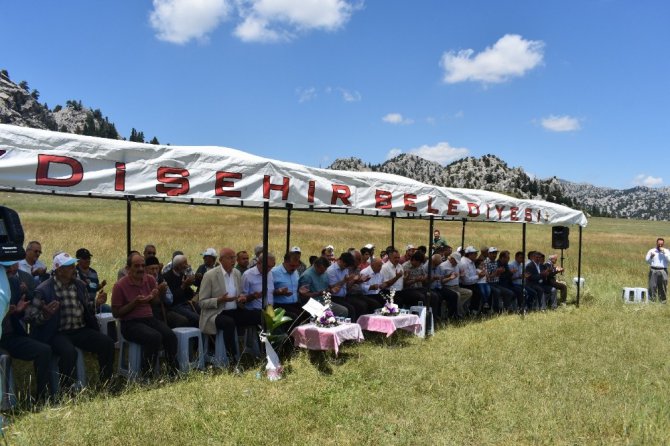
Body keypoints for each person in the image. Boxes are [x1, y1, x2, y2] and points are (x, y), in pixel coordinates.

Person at [27, 252, 114, 390]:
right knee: (69, 352)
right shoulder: (43, 289)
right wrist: (45, 315)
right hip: (57, 332)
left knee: (107, 343)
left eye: (73, 265)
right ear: (59, 270)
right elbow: (30, 318)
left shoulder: (79, 285)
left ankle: (107, 383)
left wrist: (96, 303)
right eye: (70, 266)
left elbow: (87, 308)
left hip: (80, 329)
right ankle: (67, 389)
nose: (74, 268)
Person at [112, 253, 178, 377]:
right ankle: (147, 375)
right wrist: (134, 303)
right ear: (128, 268)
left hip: (148, 318)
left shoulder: (150, 279)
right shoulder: (119, 285)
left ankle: (173, 372)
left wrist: (159, 294)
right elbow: (116, 313)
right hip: (129, 323)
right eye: (136, 266)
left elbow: (155, 302)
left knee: (170, 335)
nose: (141, 269)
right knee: (154, 337)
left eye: (143, 265)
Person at [0, 260, 54, 403]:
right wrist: (7, 313)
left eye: (12, 266)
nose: (12, 269)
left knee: (44, 350)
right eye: (6, 268)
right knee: (3, 358)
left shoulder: (13, 283)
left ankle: (43, 398)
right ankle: (5, 405)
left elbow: (28, 316)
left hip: (9, 336)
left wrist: (44, 315)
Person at [199, 248, 258, 358]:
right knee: (229, 323)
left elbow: (239, 294)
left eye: (234, 257)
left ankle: (259, 350)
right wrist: (220, 300)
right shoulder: (210, 275)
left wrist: (241, 298)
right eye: (230, 258)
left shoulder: (236, 273)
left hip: (234, 310)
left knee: (258, 315)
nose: (233, 260)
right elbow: (202, 302)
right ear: (221, 260)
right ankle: (232, 357)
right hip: (215, 313)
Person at [163, 255, 199, 327]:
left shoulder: (182, 274)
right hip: (175, 306)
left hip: (186, 303)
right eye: (185, 263)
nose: (187, 265)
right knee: (197, 318)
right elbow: (172, 300)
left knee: (204, 312)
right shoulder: (167, 277)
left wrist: (189, 285)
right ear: (178, 266)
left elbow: (189, 295)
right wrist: (184, 286)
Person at [75, 248, 111, 313]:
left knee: (108, 309)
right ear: (78, 260)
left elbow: (93, 287)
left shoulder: (93, 273)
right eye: (85, 258)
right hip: (80, 305)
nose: (88, 260)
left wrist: (101, 286)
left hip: (94, 304)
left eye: (89, 258)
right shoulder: (74, 272)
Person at [645, 237, 668, 302]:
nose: (660, 245)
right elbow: (647, 261)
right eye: (659, 244)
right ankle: (652, 301)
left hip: (663, 270)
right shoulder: (651, 251)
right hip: (653, 270)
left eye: (661, 244)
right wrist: (651, 257)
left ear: (663, 244)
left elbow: (669, 260)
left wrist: (664, 253)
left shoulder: (666, 251)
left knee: (663, 287)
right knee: (652, 286)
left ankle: (663, 301)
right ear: (656, 243)